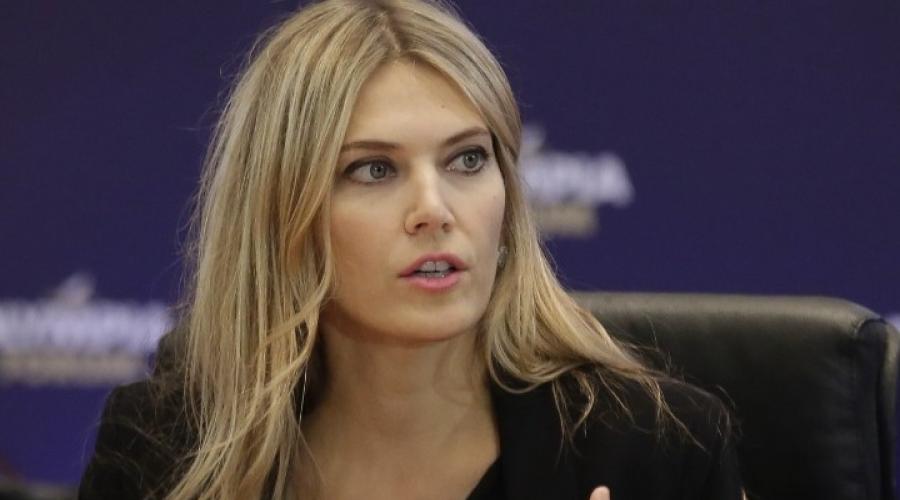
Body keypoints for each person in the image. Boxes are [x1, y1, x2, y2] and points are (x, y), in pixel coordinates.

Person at [79, 0, 743, 498]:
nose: (434, 209)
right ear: (283, 215)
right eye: (374, 169)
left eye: (467, 159)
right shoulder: (164, 450)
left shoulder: (654, 451)